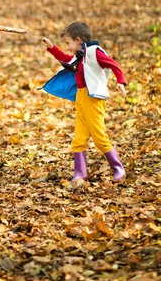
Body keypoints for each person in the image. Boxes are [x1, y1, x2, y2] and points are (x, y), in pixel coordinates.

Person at [41, 21, 127, 185]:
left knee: (99, 137)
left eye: (68, 43)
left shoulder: (94, 52)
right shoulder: (81, 55)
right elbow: (66, 59)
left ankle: (118, 168)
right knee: (79, 138)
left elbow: (113, 64)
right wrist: (52, 48)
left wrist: (121, 81)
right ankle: (80, 174)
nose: (67, 47)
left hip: (93, 100)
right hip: (81, 98)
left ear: (78, 40)